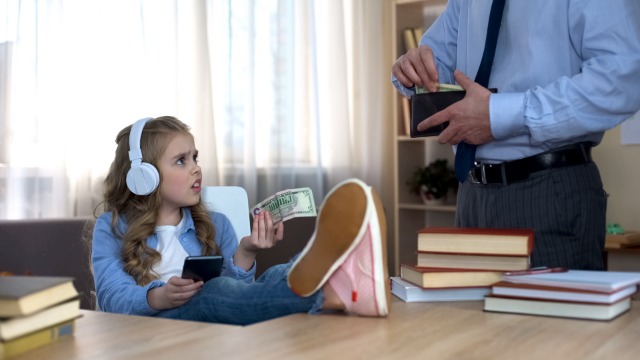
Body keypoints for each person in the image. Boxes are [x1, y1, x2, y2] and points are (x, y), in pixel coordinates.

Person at [391, 0, 640, 270]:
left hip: (548, 193)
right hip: (471, 193)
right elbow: (435, 65)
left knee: (541, 313)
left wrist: (500, 114)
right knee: (465, 313)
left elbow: (621, 81)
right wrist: (411, 68)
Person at [91, 116, 390, 325]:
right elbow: (111, 296)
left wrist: (246, 253)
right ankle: (339, 289)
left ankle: (341, 276)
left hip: (209, 326)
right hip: (154, 329)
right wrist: (159, 296)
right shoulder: (112, 227)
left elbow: (241, 297)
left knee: (275, 274)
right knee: (214, 291)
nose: (196, 168)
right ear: (144, 178)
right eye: (181, 161)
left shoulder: (216, 223)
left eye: (195, 157)